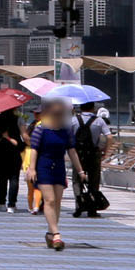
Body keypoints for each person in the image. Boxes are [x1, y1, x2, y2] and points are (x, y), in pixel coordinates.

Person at [27, 99, 85, 250]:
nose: (58, 115)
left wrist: (80, 171)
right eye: (56, 112)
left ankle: (50, 233)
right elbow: (34, 150)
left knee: (57, 201)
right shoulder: (41, 129)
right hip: (44, 166)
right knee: (50, 200)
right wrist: (32, 168)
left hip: (59, 167)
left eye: (61, 112)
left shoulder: (66, 131)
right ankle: (57, 235)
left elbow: (72, 151)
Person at [70, 102, 112, 217]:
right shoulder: (99, 121)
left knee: (77, 180)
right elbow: (109, 136)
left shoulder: (73, 120)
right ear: (93, 108)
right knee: (94, 181)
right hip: (94, 154)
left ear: (81, 107)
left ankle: (79, 206)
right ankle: (92, 209)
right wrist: (105, 151)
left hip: (78, 154)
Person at [0, 109, 28, 211]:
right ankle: (11, 205)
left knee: (2, 179)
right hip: (14, 151)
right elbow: (24, 136)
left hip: (0, 151)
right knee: (14, 178)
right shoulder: (19, 119)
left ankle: (1, 203)